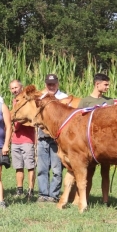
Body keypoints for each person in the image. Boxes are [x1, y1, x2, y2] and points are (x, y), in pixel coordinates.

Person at [77, 73, 114, 205]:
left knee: (105, 171)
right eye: (106, 84)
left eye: (108, 84)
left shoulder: (110, 102)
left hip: (104, 143)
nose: (108, 87)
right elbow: (78, 122)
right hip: (89, 143)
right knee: (89, 172)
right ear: (97, 84)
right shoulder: (85, 101)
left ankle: (105, 200)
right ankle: (85, 198)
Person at [37, 73, 68, 203]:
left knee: (57, 169)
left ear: (57, 84)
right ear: (46, 84)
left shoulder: (64, 98)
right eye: (49, 84)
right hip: (42, 137)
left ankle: (53, 195)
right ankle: (43, 194)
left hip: (57, 140)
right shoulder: (40, 98)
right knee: (42, 169)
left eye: (53, 84)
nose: (51, 86)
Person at [9, 80, 36, 198]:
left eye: (16, 87)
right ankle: (19, 189)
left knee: (30, 165)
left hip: (27, 139)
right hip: (16, 139)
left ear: (22, 87)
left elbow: (31, 118)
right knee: (18, 166)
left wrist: (16, 124)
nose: (15, 90)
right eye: (12, 88)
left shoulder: (29, 101)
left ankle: (31, 190)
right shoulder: (14, 101)